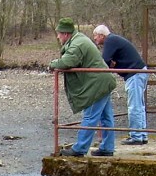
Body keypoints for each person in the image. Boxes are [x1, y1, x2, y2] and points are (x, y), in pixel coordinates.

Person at [49, 18, 118, 157]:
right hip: (103, 80)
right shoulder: (78, 39)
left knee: (90, 116)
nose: (58, 37)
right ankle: (107, 147)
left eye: (59, 34)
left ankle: (79, 149)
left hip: (96, 84)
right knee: (105, 116)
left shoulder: (77, 44)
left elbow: (67, 61)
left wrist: (52, 64)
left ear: (66, 34)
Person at [92, 25, 149, 145]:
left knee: (134, 106)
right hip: (138, 72)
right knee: (139, 104)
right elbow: (108, 61)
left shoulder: (110, 40)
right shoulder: (114, 40)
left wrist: (111, 65)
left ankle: (136, 136)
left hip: (135, 73)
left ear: (102, 35)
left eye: (95, 36)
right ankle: (142, 134)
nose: (95, 39)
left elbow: (105, 60)